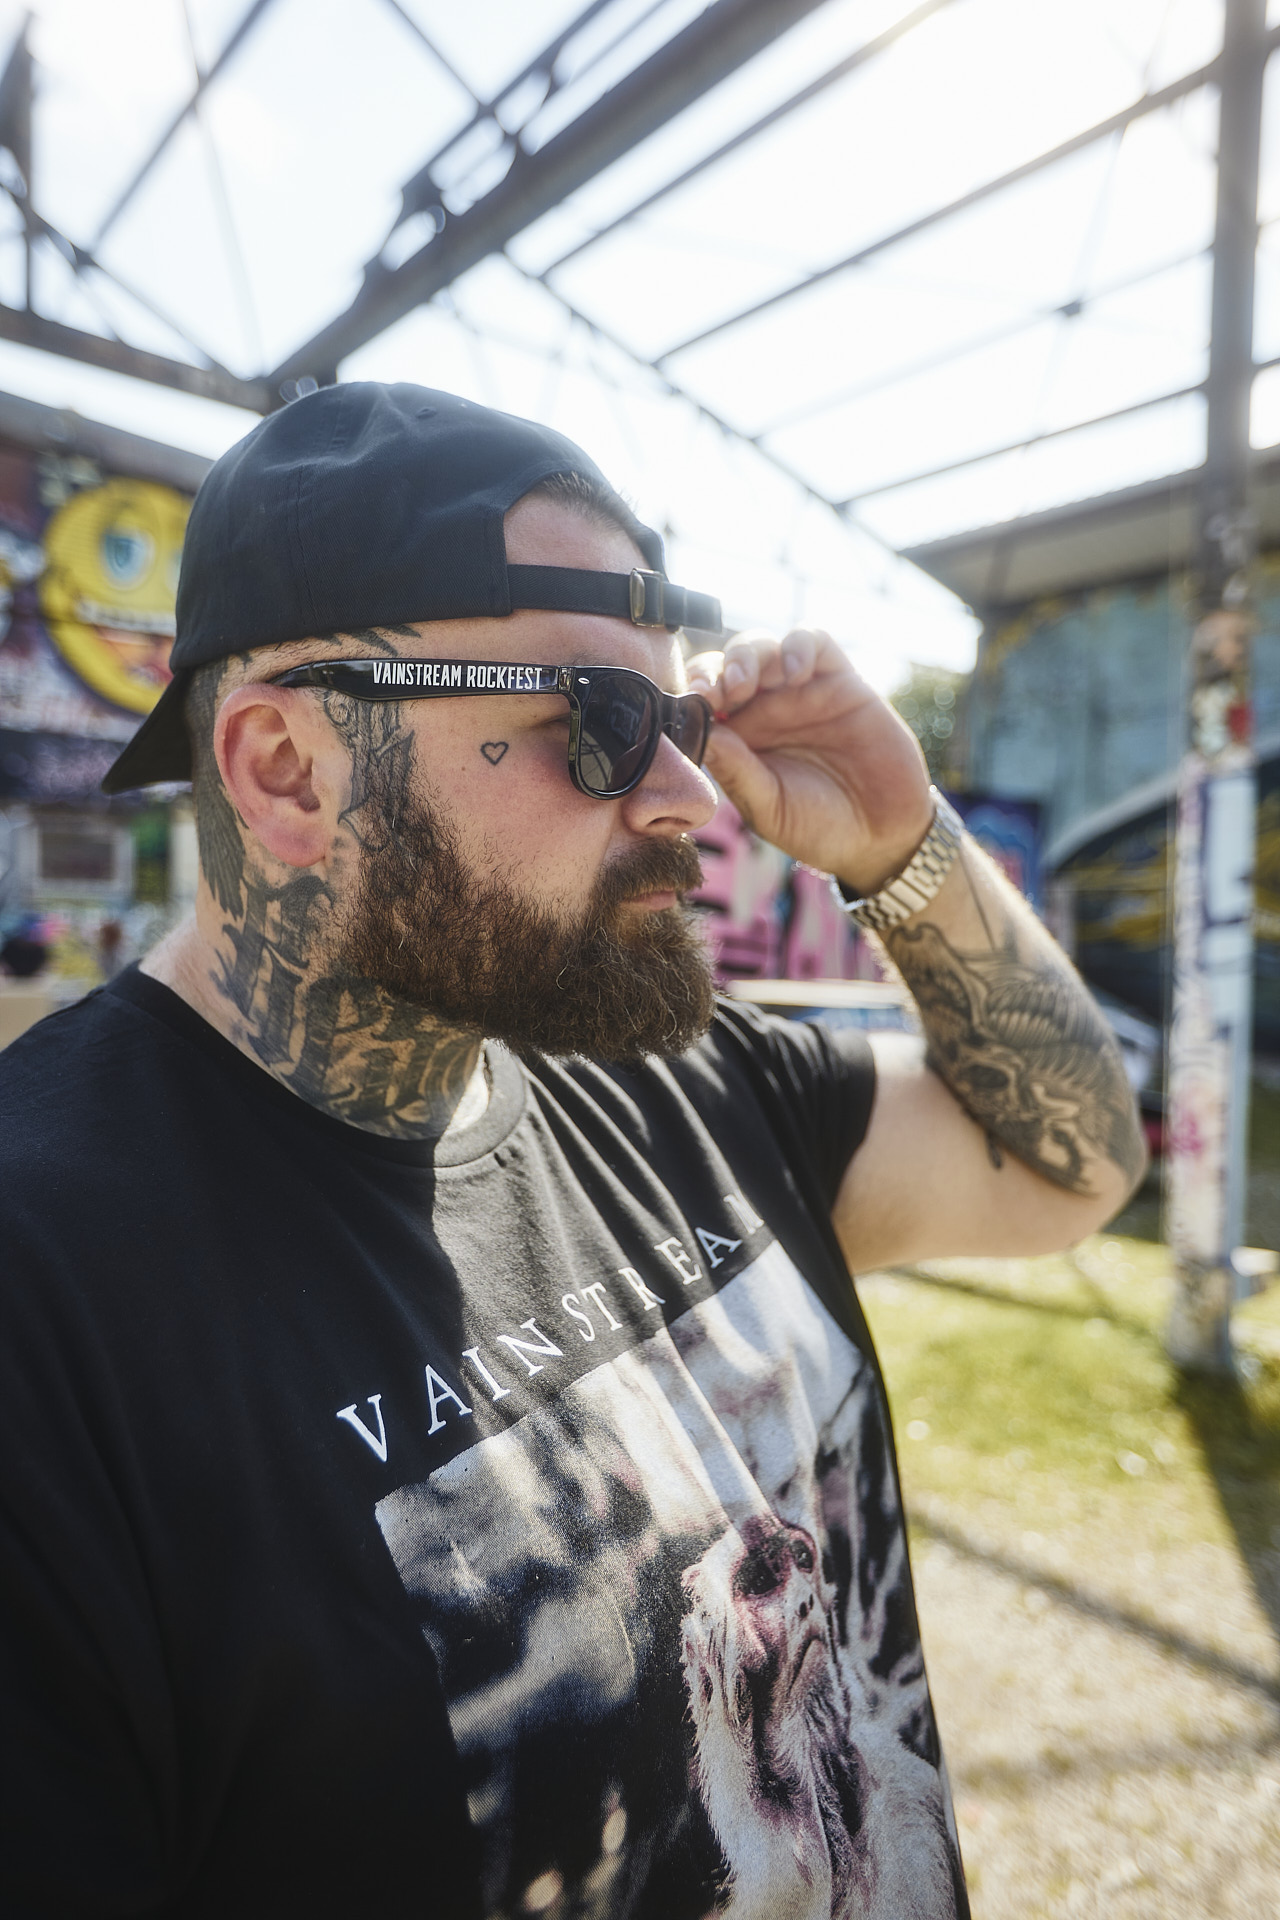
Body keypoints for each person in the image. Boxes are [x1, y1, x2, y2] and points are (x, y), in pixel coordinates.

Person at [0, 383, 1144, 1919]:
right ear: (285, 770)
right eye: (599, 725)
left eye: (678, 721)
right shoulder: (49, 1299)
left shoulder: (682, 1073)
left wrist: (903, 845)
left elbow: (1072, 1165)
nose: (693, 798)